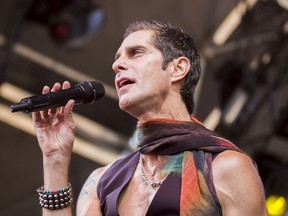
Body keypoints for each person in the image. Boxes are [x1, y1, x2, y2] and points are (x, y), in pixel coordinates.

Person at [32, 20, 268, 216]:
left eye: (136, 53)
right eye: (117, 58)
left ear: (177, 69)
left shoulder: (226, 168)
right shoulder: (101, 182)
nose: (117, 65)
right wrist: (55, 159)